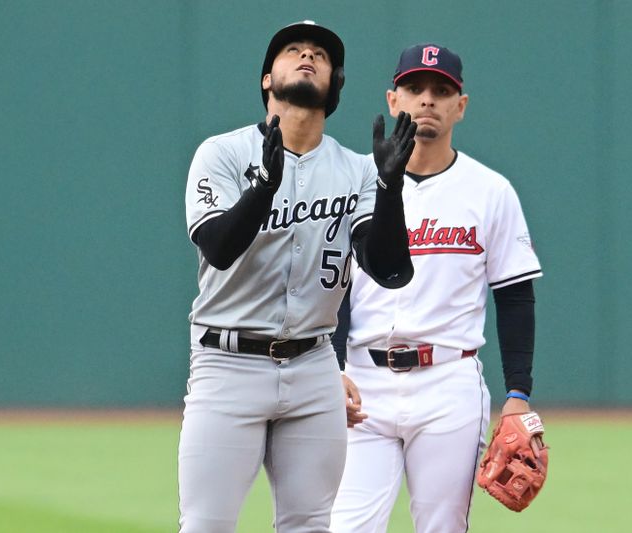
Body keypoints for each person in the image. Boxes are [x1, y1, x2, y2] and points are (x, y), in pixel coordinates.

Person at [179, 21, 417, 533]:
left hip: (313, 368)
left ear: (335, 86)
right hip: (228, 362)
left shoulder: (357, 170)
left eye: (320, 55)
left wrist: (391, 189)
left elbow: (391, 269)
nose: (307, 56)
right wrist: (263, 187)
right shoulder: (221, 154)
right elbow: (218, 249)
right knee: (206, 525)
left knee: (310, 525)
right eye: (293, 50)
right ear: (268, 78)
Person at [330, 43, 544, 533]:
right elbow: (334, 287)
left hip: (448, 381)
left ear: (460, 106)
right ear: (392, 99)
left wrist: (518, 392)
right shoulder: (356, 183)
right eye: (414, 87)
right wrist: (332, 364)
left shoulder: (490, 191)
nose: (426, 99)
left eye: (441, 90)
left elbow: (514, 295)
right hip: (363, 381)